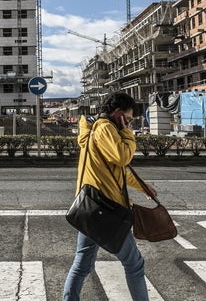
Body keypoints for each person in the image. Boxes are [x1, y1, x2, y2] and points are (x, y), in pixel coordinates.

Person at [62, 91, 157, 301]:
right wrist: (128, 134)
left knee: (82, 264)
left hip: (90, 207)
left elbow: (116, 171)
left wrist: (143, 187)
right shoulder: (106, 129)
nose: (129, 123)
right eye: (128, 118)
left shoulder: (97, 128)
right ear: (117, 113)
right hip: (107, 211)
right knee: (135, 265)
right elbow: (123, 158)